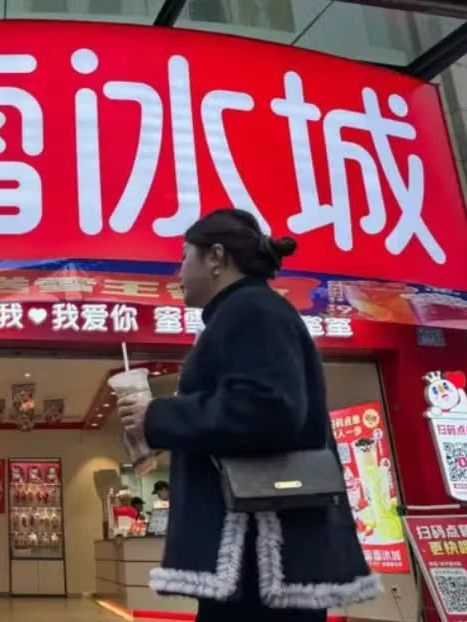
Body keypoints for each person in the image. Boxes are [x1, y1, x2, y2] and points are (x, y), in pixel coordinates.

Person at [117, 209, 377, 621]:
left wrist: (160, 416)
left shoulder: (250, 311)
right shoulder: (248, 311)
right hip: (257, 553)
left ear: (216, 257)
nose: (177, 272)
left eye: (184, 257)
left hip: (259, 554)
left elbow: (265, 411)